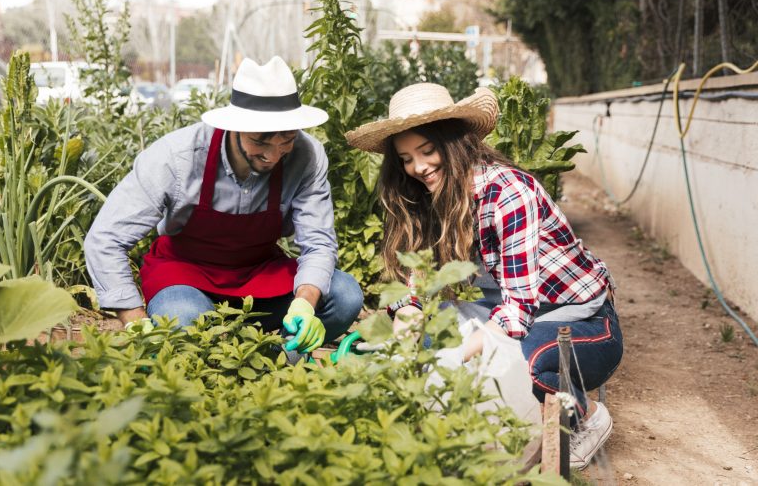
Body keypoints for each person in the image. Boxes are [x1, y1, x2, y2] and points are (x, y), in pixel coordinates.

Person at [345, 82, 623, 469]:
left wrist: (459, 355)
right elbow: (416, 292)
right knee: (423, 337)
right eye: (407, 158)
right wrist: (403, 347)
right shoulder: (425, 198)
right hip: (509, 310)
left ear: (455, 143)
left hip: (578, 321)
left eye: (427, 151)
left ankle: (586, 416)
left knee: (526, 361)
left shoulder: (506, 192)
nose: (419, 167)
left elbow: (518, 309)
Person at [84, 56, 363, 355]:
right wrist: (135, 321)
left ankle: (274, 361)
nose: (274, 155)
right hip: (184, 275)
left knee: (345, 295)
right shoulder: (176, 157)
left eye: (286, 140)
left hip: (259, 275)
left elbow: (318, 243)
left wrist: (304, 303)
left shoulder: (308, 155)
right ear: (235, 127)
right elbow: (105, 240)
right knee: (185, 319)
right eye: (260, 142)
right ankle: (228, 359)